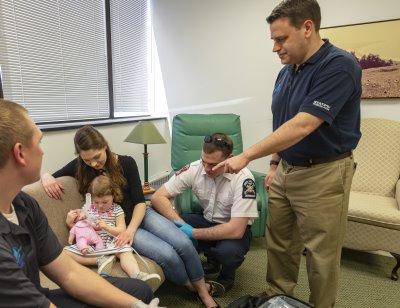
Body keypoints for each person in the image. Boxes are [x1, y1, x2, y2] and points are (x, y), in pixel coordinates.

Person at [213, 1, 362, 307]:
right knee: (279, 244)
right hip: (285, 169)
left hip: (324, 172)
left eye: (280, 39)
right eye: (273, 40)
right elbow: (283, 124)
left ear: (307, 28)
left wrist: (247, 156)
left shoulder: (339, 65)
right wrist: (273, 164)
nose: (275, 48)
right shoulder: (286, 73)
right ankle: (277, 299)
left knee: (320, 254)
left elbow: (304, 124)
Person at [0, 99, 160, 307]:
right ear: (20, 153)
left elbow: (68, 273)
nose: (42, 151)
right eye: (39, 142)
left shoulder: (25, 206)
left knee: (140, 291)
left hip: (42, 293)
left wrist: (135, 305)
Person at [41, 125, 221, 308]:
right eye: (87, 160)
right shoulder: (80, 166)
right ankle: (191, 286)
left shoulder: (127, 163)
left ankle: (204, 293)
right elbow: (53, 175)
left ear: (104, 146)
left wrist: (130, 231)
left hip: (141, 216)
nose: (94, 164)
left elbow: (140, 202)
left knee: (182, 241)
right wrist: (46, 176)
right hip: (117, 228)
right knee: (167, 255)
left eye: (96, 157)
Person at [151, 133, 259, 293]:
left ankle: (227, 275)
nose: (207, 168)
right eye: (204, 161)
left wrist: (192, 233)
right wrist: (180, 224)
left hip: (233, 229)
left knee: (228, 253)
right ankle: (212, 260)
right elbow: (158, 197)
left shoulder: (244, 179)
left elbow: (236, 230)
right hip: (207, 219)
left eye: (213, 164)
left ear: (230, 158)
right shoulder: (195, 168)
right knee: (170, 227)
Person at [67, 175, 161, 285]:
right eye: (96, 202)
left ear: (113, 196)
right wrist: (71, 221)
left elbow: (122, 230)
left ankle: (137, 275)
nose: (100, 206)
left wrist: (106, 226)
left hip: (112, 243)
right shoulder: (88, 209)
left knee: (125, 252)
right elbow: (78, 229)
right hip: (93, 246)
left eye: (105, 202)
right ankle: (100, 260)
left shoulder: (117, 210)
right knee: (66, 252)